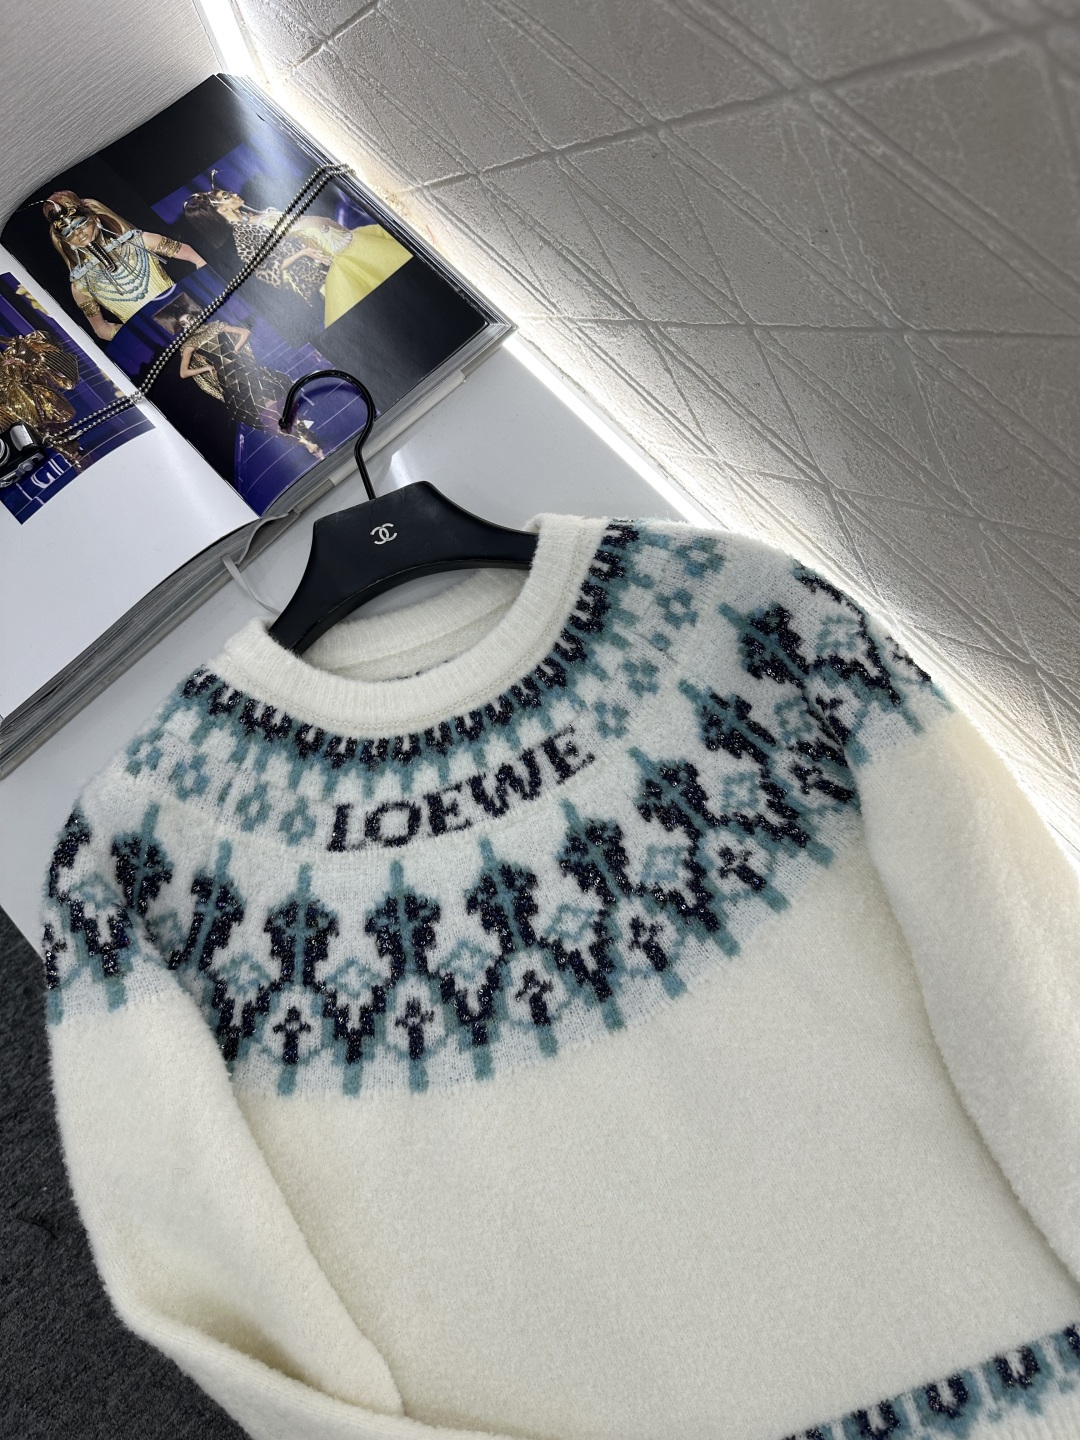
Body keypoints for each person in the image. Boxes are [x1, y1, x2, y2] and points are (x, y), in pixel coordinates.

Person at [43, 191, 206, 343]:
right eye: (68, 232)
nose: (78, 233)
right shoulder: (81, 285)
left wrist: (202, 297)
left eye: (80, 223)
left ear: (95, 219)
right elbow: (101, 329)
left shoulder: (140, 241)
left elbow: (196, 258)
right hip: (161, 342)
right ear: (66, 241)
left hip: (197, 316)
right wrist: (139, 335)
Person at [172, 313, 323, 460]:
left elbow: (245, 332)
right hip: (228, 379)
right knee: (263, 411)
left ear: (196, 316)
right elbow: (183, 373)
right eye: (184, 324)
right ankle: (306, 442)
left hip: (242, 368)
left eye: (190, 318)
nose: (189, 324)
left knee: (272, 400)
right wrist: (206, 368)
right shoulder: (190, 344)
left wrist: (236, 349)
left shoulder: (215, 327)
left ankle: (307, 438)